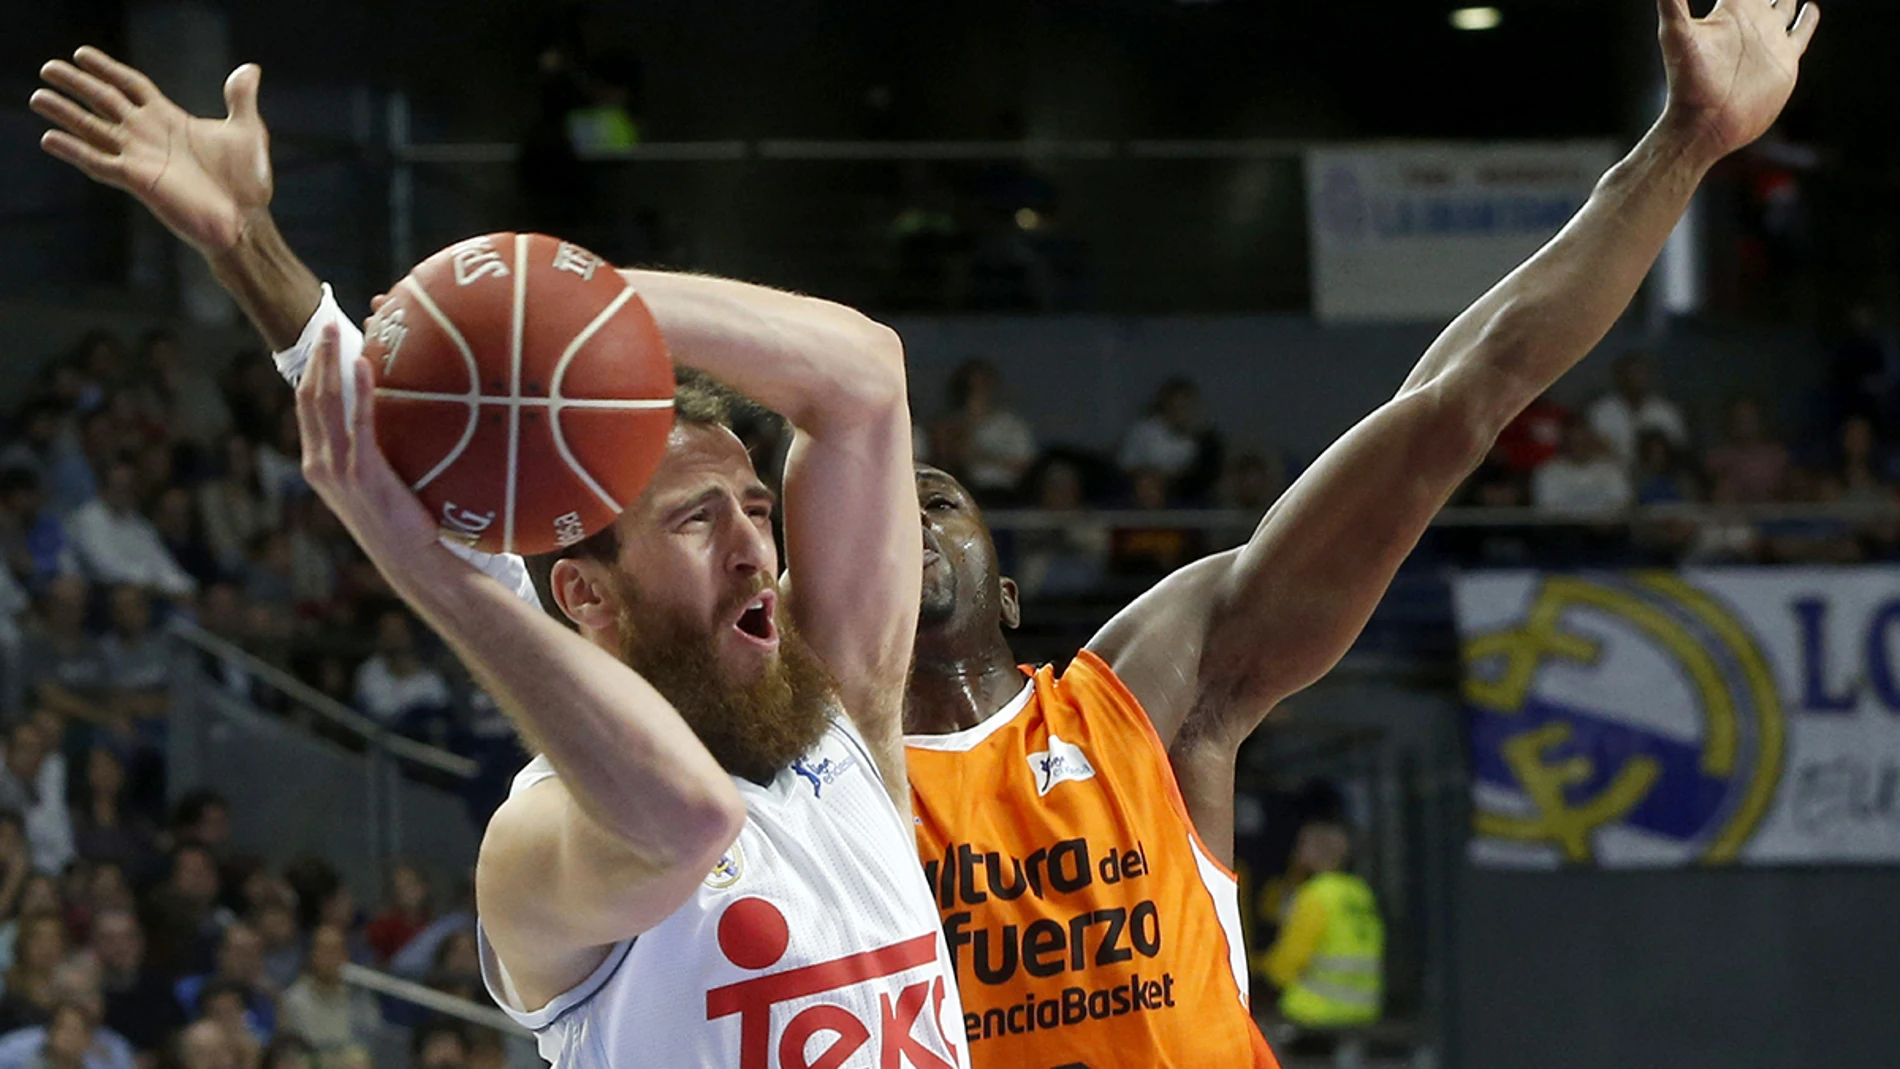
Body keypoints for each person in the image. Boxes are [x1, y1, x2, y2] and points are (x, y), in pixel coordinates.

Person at [899, 3, 1820, 1066]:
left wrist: (1683, 146)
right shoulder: (804, 790)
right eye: (869, 508)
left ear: (1008, 594)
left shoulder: (1142, 699)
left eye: (934, 497)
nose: (905, 518)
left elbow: (1457, 403)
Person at [35, 46, 964, 1068]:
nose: (754, 549)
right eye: (698, 521)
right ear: (581, 591)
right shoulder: (541, 844)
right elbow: (685, 817)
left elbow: (865, 375)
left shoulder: (841, 715)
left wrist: (564, 305)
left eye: (755, 507)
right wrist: (422, 565)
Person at [1258, 822, 1384, 1041]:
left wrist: (1258, 966)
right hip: (1364, 1007)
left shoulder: (1314, 895)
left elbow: (1284, 967)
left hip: (1315, 1010)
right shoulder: (1360, 892)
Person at [64, 464, 194, 599]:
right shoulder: (87, 518)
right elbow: (105, 568)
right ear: (103, 489)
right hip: (102, 593)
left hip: (150, 592)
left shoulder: (140, 525)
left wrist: (184, 587)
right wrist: (151, 582)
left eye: (128, 487)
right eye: (119, 486)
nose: (125, 492)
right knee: (129, 597)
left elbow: (162, 564)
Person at [926, 359, 1037, 503]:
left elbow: (1025, 466)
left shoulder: (1011, 425)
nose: (978, 390)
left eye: (983, 384)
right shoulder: (946, 423)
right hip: (957, 491)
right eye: (971, 386)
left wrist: (982, 456)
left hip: (1001, 493)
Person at [90, 909, 184, 1061]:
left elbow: (176, 1036)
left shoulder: (159, 987)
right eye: (109, 939)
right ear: (94, 945)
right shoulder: (86, 991)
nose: (120, 946)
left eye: (128, 937)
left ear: (141, 942)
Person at [275, 927, 376, 1064]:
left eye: (335, 951)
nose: (329, 958)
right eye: (324, 951)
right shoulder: (293, 1000)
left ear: (345, 957)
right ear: (312, 956)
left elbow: (369, 1044)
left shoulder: (359, 999)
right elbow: (288, 1053)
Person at [1585, 350, 1691, 467]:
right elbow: (1590, 451)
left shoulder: (1666, 412)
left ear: (1649, 376)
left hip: (1657, 477)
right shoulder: (1600, 411)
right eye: (1629, 374)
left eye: (1639, 373)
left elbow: (1679, 449)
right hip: (1611, 475)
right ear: (1618, 377)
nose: (1635, 379)